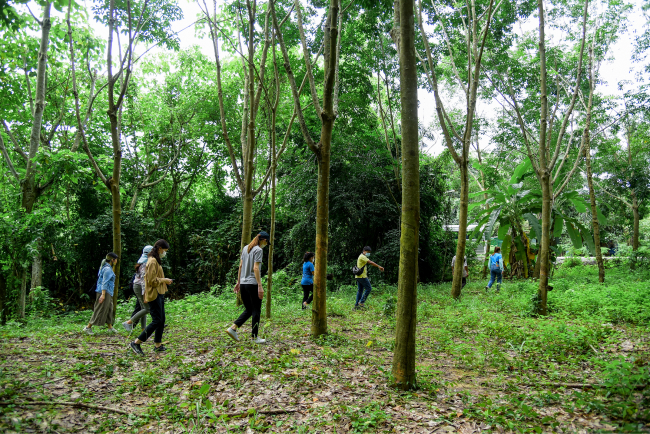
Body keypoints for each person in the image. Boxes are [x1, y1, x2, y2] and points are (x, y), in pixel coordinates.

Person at [225, 231, 270, 344]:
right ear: (264, 240)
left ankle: (233, 328)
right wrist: (260, 286)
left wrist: (238, 282)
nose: (266, 245)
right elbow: (256, 268)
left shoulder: (246, 248)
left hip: (244, 284)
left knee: (250, 310)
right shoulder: (258, 250)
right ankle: (254, 337)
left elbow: (240, 266)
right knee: (256, 310)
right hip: (252, 284)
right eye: (267, 242)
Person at [130, 240, 172, 355]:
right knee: (157, 320)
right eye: (164, 250)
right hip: (154, 293)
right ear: (160, 248)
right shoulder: (152, 261)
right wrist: (164, 280)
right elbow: (151, 281)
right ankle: (136, 343)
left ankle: (158, 345)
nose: (164, 253)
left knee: (161, 320)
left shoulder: (155, 259)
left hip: (159, 292)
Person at [82, 253, 120, 334]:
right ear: (112, 260)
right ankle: (88, 327)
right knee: (99, 309)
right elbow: (104, 282)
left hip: (108, 291)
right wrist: (103, 295)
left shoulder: (107, 267)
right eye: (116, 259)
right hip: (104, 291)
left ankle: (110, 327)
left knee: (109, 308)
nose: (117, 261)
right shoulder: (107, 269)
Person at [123, 245, 153, 332]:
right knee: (147, 309)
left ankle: (144, 330)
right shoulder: (145, 264)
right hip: (140, 287)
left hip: (137, 286)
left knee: (143, 308)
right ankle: (129, 322)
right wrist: (145, 294)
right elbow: (143, 281)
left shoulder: (143, 262)